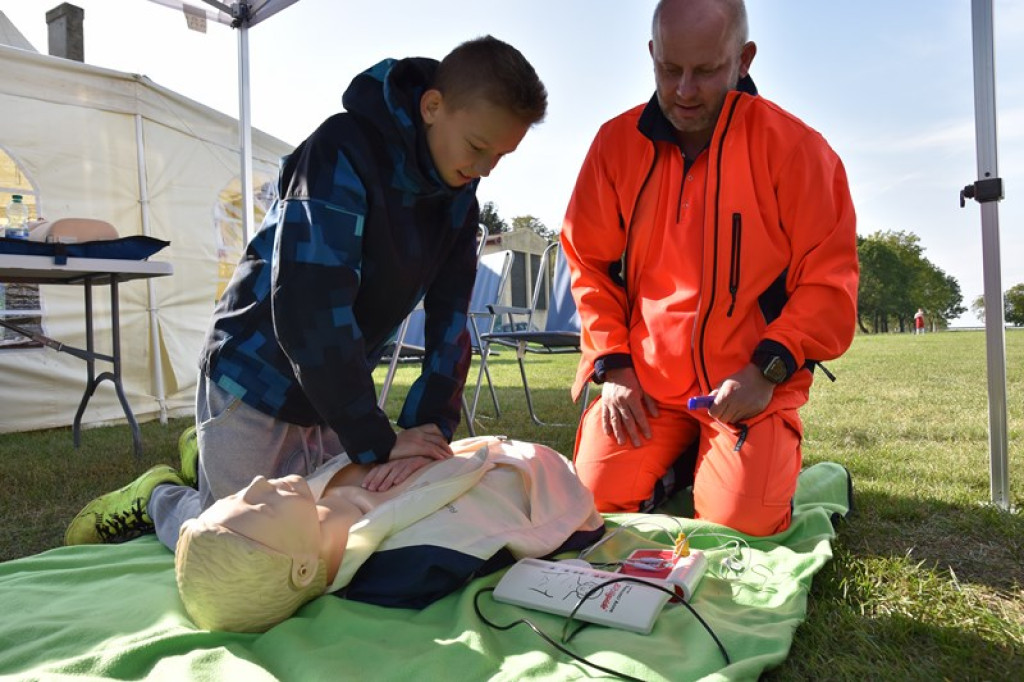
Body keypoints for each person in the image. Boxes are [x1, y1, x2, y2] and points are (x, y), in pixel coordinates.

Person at [65, 35, 549, 548]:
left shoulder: (459, 204)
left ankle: (207, 456)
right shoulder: (341, 150)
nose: (486, 169)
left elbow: (451, 323)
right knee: (236, 546)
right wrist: (376, 438)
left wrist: (424, 437)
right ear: (433, 106)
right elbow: (308, 305)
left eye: (501, 156)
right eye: (479, 147)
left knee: (347, 526)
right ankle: (159, 494)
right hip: (254, 379)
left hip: (331, 393)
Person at [560, 0, 858, 537]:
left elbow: (829, 283)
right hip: (645, 383)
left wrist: (766, 370)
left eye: (706, 70)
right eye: (670, 69)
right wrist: (614, 367)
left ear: (743, 59)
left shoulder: (799, 150)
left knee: (741, 524)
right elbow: (588, 265)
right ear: (652, 54)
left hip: (750, 384)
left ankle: (764, 470)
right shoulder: (613, 146)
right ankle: (682, 465)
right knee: (591, 503)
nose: (684, 91)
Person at [174, 437, 605, 632]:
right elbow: (521, 521)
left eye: (241, 494)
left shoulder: (307, 506)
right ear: (303, 568)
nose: (257, 483)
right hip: (532, 473)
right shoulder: (413, 565)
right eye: (259, 506)